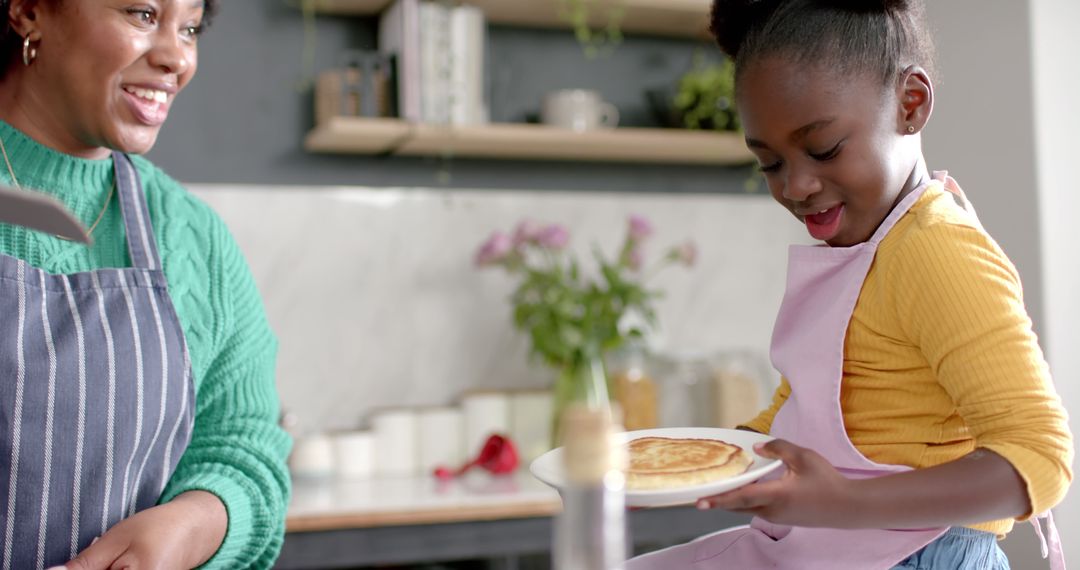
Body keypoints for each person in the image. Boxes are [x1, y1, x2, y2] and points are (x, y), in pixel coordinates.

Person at [627, 1, 1073, 569]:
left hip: (921, 554)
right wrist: (689, 466)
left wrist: (843, 501)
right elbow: (807, 408)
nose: (796, 186)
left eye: (823, 149)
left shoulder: (936, 251)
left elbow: (1039, 456)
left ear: (911, 103)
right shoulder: (862, 252)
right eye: (769, 164)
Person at [0, 0, 291, 568]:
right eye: (141, 14)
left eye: (189, 28)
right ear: (29, 11)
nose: (176, 57)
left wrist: (194, 524)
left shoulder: (195, 239)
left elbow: (245, 448)